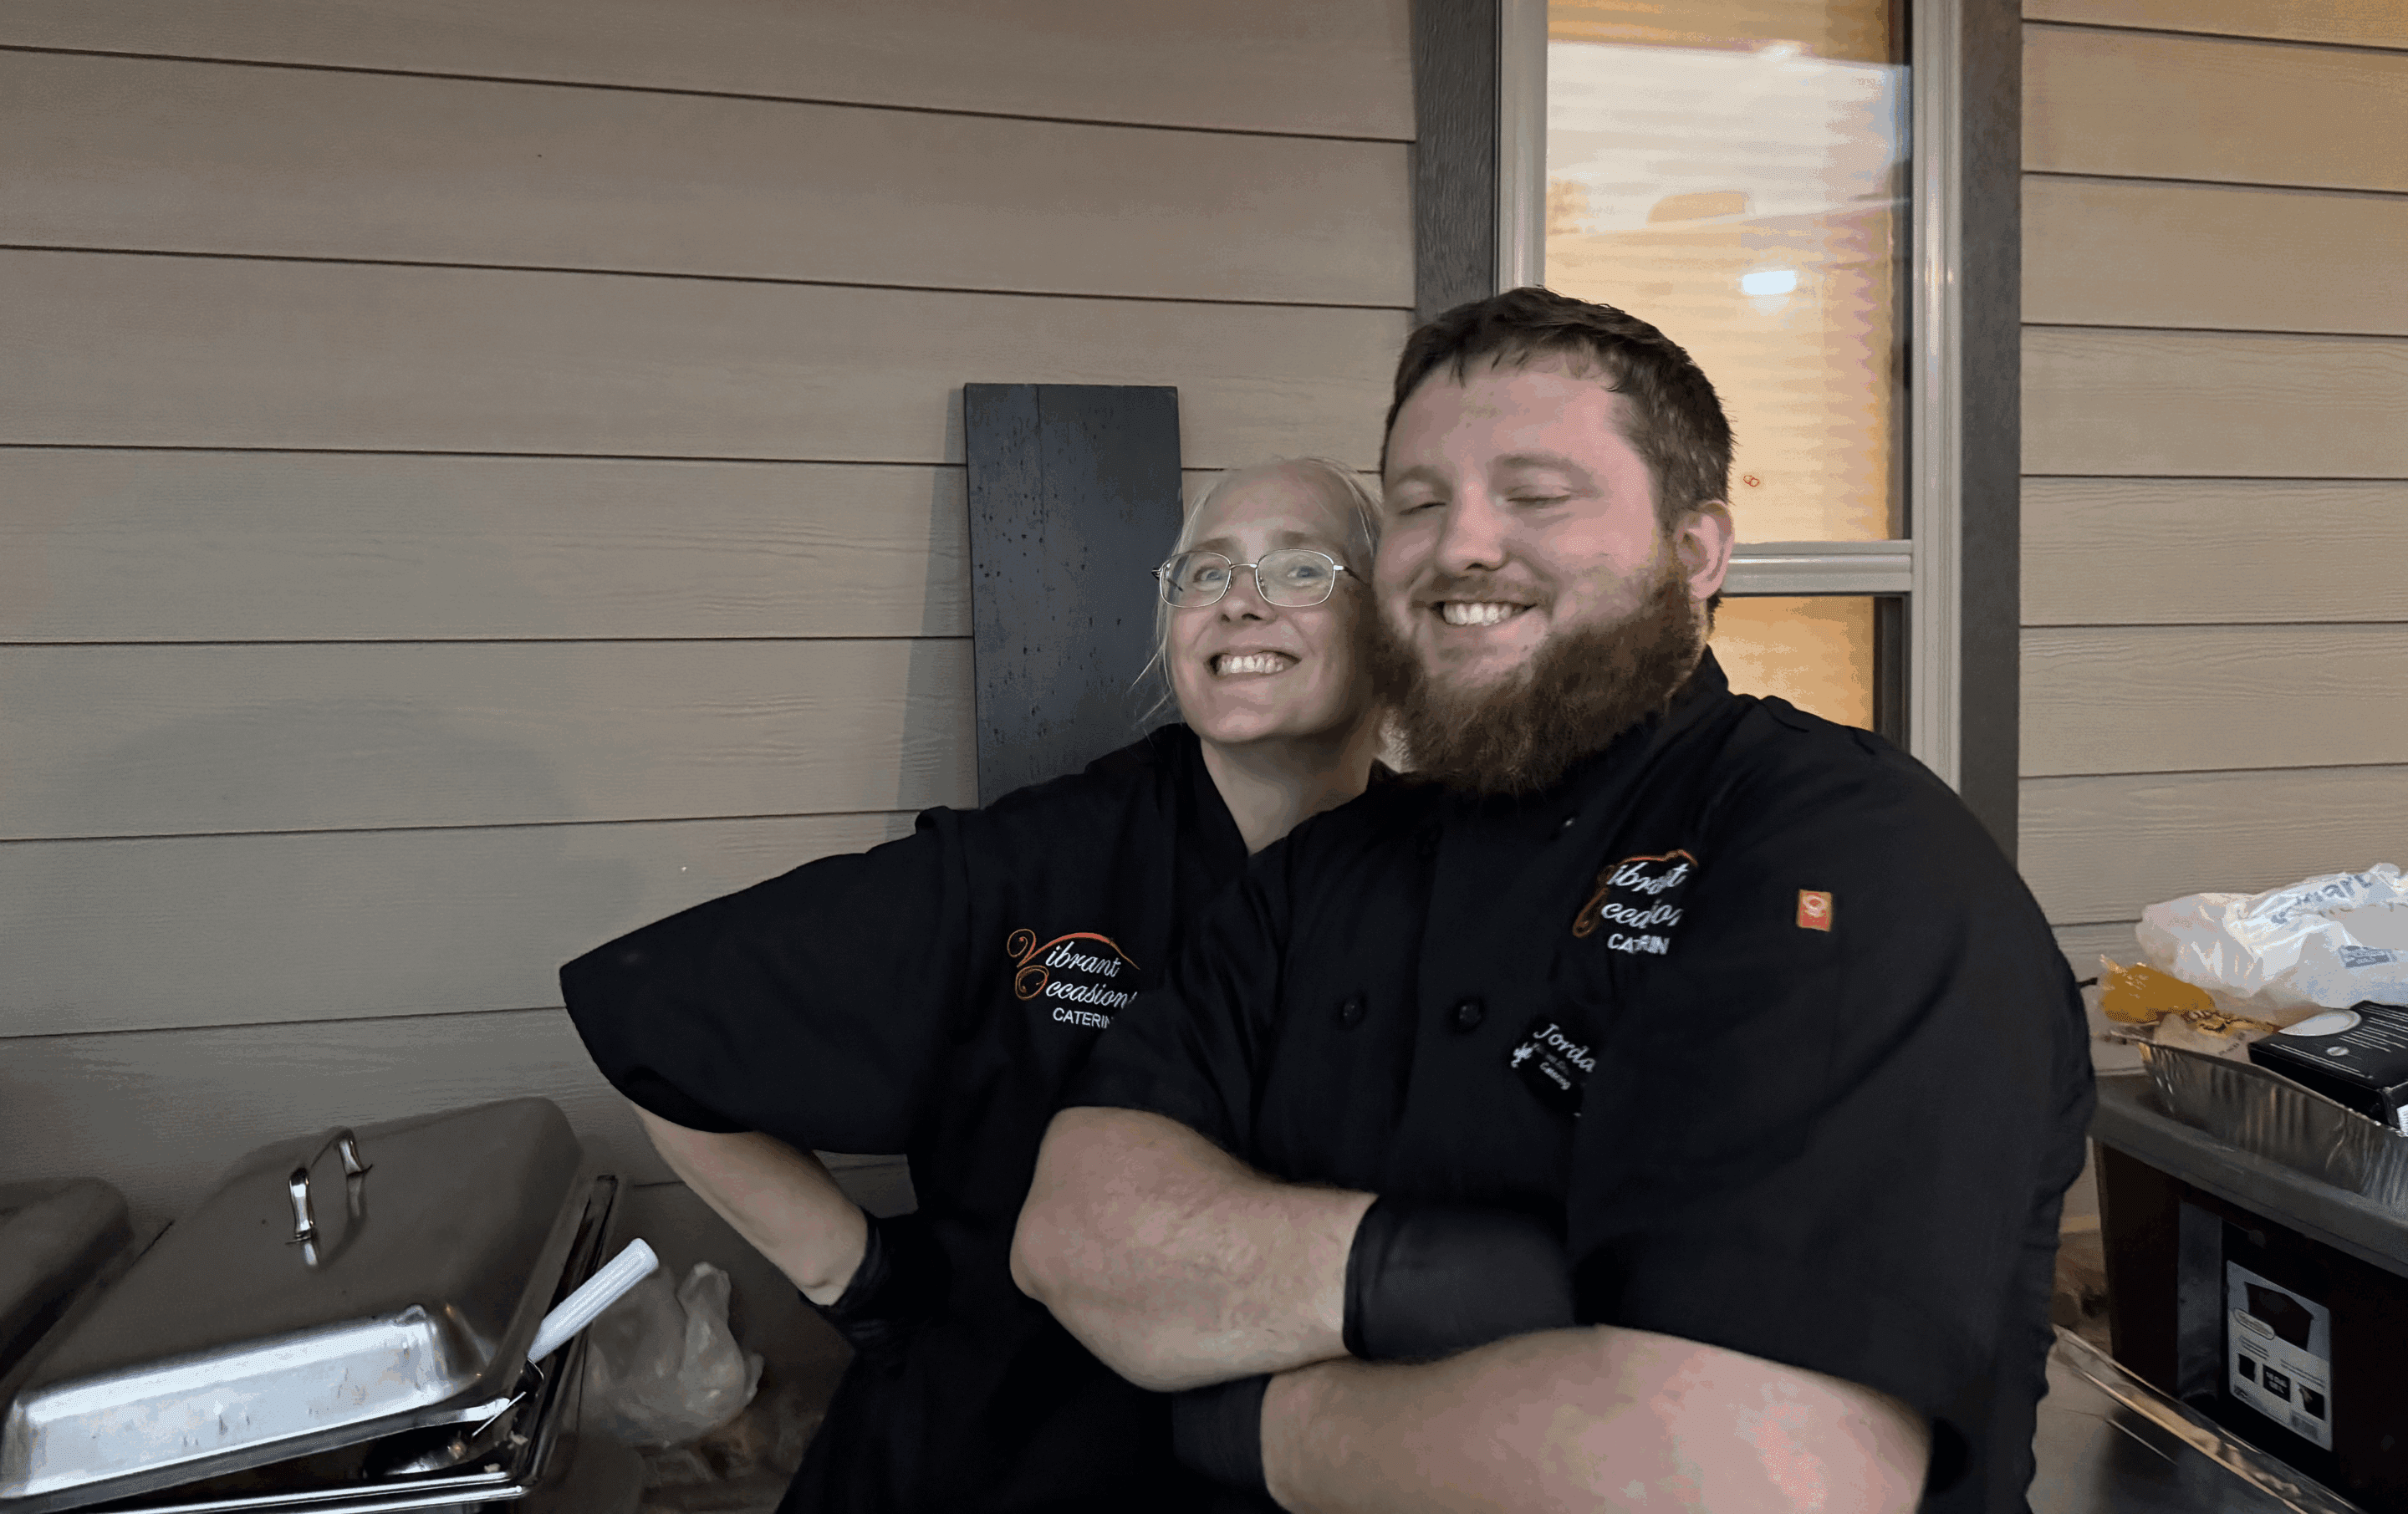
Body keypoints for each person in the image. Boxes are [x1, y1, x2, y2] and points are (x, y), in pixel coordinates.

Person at [1013, 288, 2095, 1514]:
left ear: (1696, 554)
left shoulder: (1839, 852)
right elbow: (1079, 1230)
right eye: (1419, 503)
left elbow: (1762, 1477)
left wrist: (1257, 1422)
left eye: (1536, 495)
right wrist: (1432, 1276)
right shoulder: (1325, 871)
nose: (1463, 545)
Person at [559, 455, 1390, 1512]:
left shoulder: (1444, 874)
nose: (1238, 600)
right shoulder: (1031, 864)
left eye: (1301, 571)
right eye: (1204, 574)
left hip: (1291, 1461)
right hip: (988, 1456)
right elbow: (659, 1013)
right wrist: (866, 1285)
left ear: (1393, 622)